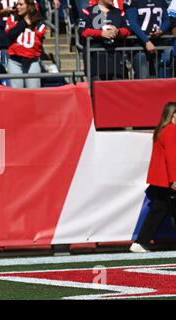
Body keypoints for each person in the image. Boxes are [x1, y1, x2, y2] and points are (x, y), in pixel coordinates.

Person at [130, 102, 176, 253]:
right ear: (173, 114)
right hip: (166, 179)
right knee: (162, 209)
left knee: (159, 209)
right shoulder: (171, 131)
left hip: (159, 178)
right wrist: (174, 179)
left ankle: (140, 242)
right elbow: (171, 157)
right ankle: (140, 242)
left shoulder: (161, 130)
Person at [78, 0, 130, 81]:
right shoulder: (87, 11)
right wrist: (101, 33)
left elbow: (127, 30)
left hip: (116, 59)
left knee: (118, 90)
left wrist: (118, 31)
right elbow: (83, 31)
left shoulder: (119, 12)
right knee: (98, 90)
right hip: (95, 61)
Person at [124, 0, 171, 79]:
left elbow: (167, 20)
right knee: (143, 76)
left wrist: (161, 30)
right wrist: (146, 41)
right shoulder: (133, 1)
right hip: (139, 45)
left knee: (155, 78)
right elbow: (132, 23)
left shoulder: (161, 1)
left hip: (156, 44)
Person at [5, 0, 46, 89]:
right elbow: (9, 35)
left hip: (32, 61)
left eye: (21, 4)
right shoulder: (12, 19)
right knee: (16, 94)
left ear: (29, 6)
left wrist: (30, 21)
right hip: (15, 60)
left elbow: (39, 39)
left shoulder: (38, 22)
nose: (18, 7)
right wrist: (24, 22)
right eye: (17, 4)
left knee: (33, 92)